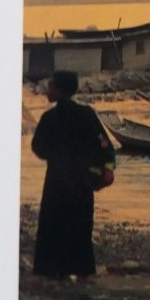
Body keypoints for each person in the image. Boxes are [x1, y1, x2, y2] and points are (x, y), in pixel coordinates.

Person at [32, 69, 115, 278]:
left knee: (53, 226)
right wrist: (107, 168)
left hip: (57, 181)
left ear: (58, 89)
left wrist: (55, 155)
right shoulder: (86, 114)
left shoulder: (49, 117)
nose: (48, 90)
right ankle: (82, 270)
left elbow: (38, 148)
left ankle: (52, 271)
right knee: (80, 227)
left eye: (51, 86)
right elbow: (104, 144)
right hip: (81, 181)